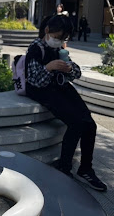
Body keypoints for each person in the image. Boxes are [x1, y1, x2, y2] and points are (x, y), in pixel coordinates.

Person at [25, 14, 106, 191]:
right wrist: (49, 68)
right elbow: (34, 81)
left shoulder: (59, 48)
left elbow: (76, 73)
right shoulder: (35, 48)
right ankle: (64, 168)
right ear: (47, 30)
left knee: (90, 124)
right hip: (43, 91)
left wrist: (69, 68)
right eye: (57, 37)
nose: (59, 42)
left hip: (60, 88)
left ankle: (86, 169)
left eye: (63, 39)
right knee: (76, 123)